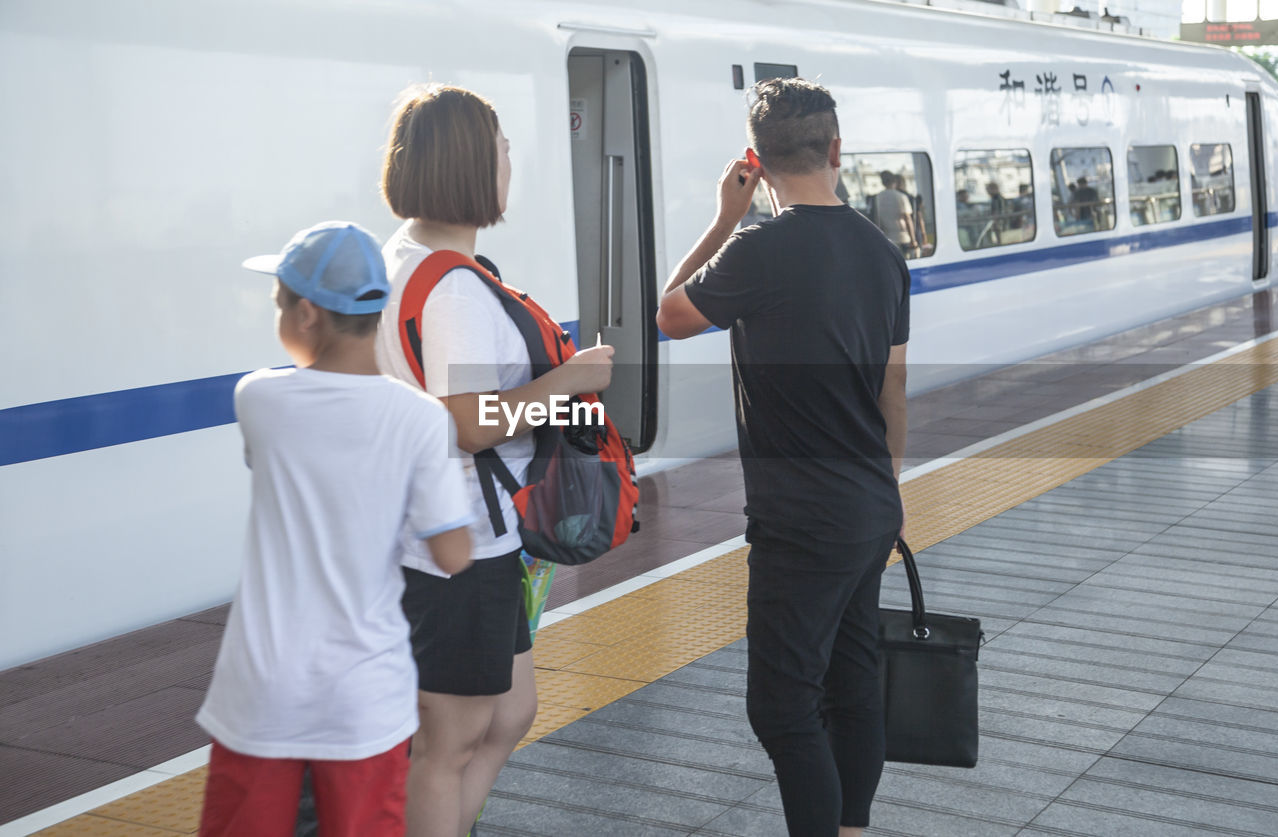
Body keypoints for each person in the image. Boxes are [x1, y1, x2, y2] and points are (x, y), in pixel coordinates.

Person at [655, 78, 908, 837]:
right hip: (870, 503)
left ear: (758, 163)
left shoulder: (756, 248)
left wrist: (726, 217)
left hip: (801, 518)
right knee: (852, 679)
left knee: (781, 703)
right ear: (836, 150)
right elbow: (894, 395)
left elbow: (669, 315)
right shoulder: (882, 251)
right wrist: (885, 491)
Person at [374, 83, 615, 837]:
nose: (512, 161)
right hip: (458, 538)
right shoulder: (454, 292)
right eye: (504, 148)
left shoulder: (405, 259)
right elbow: (471, 423)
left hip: (449, 531)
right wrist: (567, 383)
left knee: (510, 710)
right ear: (474, 166)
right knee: (446, 745)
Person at [196, 221, 474, 837]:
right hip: (364, 693)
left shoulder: (259, 400)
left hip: (261, 689)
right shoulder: (420, 421)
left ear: (305, 315)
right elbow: (453, 554)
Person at [871, 170, 916, 257]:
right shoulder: (901, 196)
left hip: (887, 239)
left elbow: (877, 220)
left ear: (883, 183)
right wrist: (913, 240)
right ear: (894, 182)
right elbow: (908, 219)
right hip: (903, 237)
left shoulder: (878, 197)